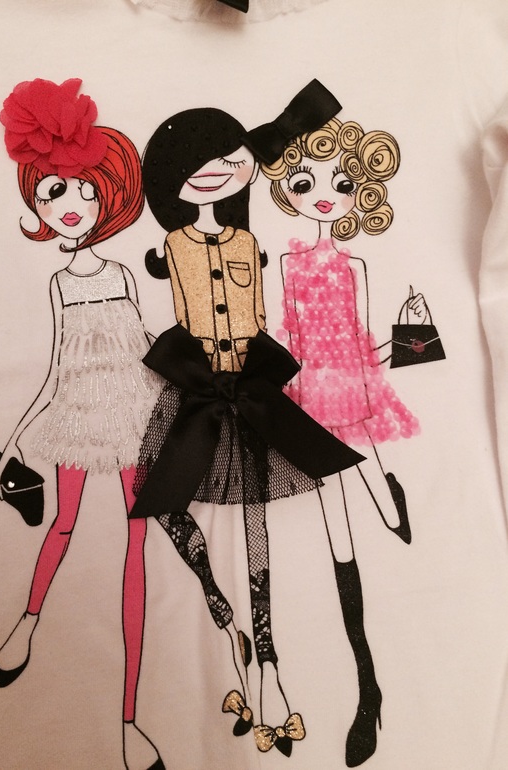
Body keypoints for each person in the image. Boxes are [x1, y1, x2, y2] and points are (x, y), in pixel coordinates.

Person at [130, 105, 364, 757]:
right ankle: (219, 609)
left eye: (225, 160)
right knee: (166, 504)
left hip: (249, 388)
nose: (213, 171)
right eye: (195, 164)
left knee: (258, 521)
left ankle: (268, 664)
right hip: (196, 389)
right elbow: (185, 313)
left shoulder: (245, 245)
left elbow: (255, 316)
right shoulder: (176, 246)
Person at [0, 78, 165, 770]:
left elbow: (146, 345)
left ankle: (129, 717)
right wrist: (17, 435)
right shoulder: (59, 284)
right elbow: (57, 366)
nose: (70, 205)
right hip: (77, 413)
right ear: (37, 202)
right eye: (54, 192)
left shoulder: (121, 275)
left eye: (85, 191)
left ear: (108, 195)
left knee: (136, 542)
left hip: (133, 412)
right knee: (62, 523)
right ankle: (28, 620)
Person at [255, 101, 431, 766]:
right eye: (306, 183)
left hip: (352, 379)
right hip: (308, 390)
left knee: (372, 475)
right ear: (290, 192)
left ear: (362, 192)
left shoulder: (352, 267)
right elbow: (287, 333)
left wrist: (409, 343)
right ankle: (367, 685)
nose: (324, 196)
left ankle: (391, 498)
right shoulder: (288, 264)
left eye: (342, 183)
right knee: (339, 528)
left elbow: (362, 334)